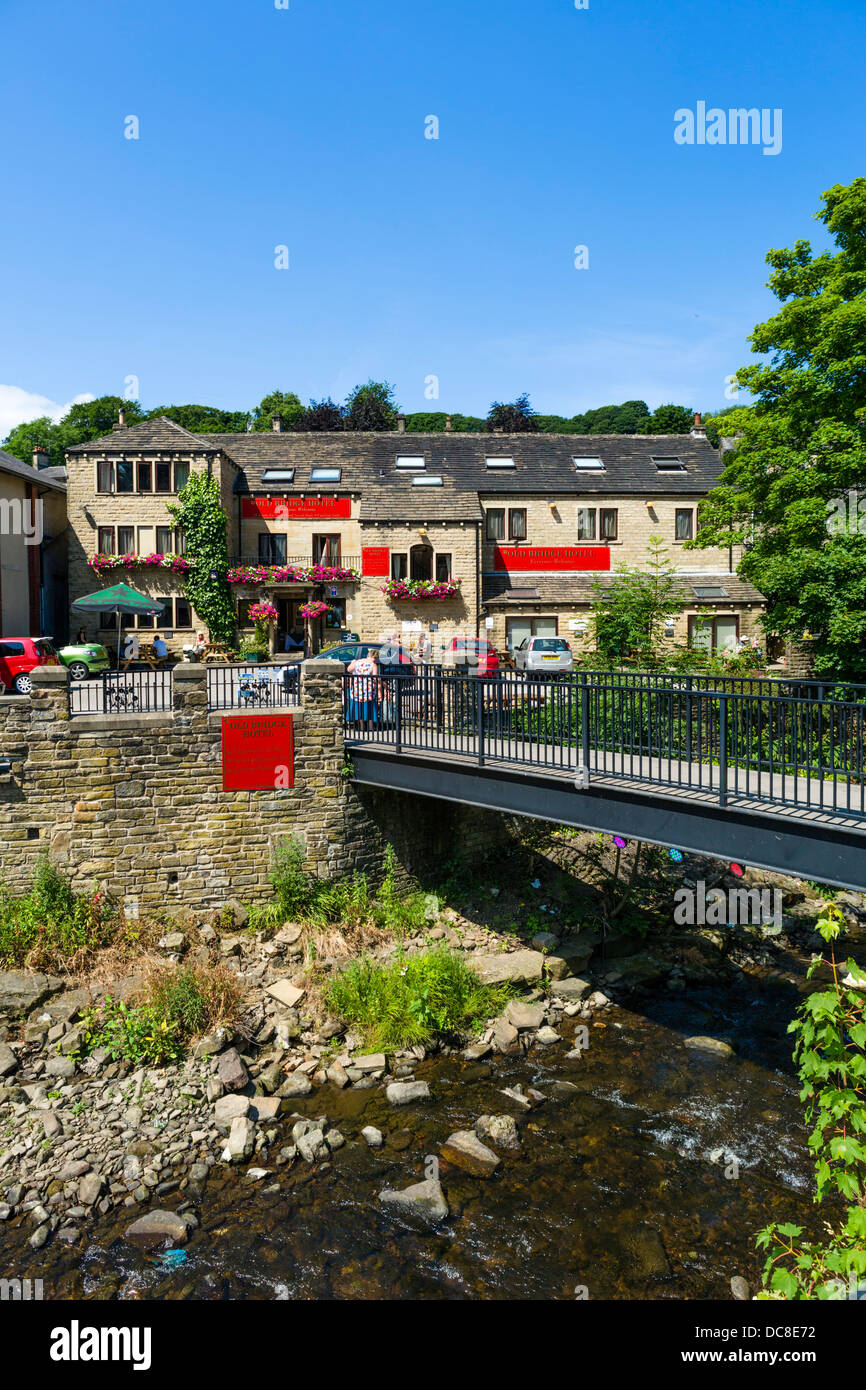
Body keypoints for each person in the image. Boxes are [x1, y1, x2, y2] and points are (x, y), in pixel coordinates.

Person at [346, 648, 382, 727]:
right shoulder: (373, 665)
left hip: (357, 688)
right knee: (369, 708)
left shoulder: (358, 662)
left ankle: (361, 726)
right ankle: (370, 726)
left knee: (359, 707)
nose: (376, 660)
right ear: (374, 657)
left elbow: (349, 669)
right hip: (369, 690)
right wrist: (380, 688)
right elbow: (376, 678)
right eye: (376, 658)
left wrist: (353, 662)